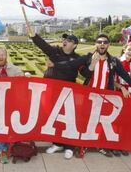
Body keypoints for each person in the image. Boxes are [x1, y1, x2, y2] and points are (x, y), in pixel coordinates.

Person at [54, 34, 131, 158]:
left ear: (108, 45)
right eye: (100, 42)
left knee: (101, 122)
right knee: (84, 120)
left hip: (105, 97)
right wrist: (55, 65)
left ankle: (100, 145)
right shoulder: (88, 57)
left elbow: (126, 77)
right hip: (89, 95)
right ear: (96, 44)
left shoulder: (113, 61)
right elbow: (72, 65)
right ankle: (81, 145)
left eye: (105, 42)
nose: (102, 44)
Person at [27, 26, 87, 159]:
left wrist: (93, 63)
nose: (66, 41)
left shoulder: (77, 59)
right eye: (65, 39)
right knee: (53, 118)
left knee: (68, 120)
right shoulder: (55, 52)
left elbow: (85, 73)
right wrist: (34, 35)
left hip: (67, 94)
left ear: (75, 45)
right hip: (51, 91)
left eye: (70, 40)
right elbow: (43, 46)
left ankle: (69, 146)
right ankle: (57, 143)